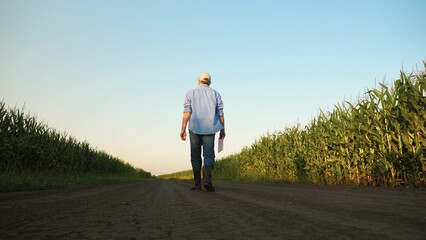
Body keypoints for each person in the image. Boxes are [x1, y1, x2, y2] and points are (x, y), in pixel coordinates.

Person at [180, 72, 225, 192]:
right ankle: (207, 180)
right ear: (209, 82)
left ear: (198, 81)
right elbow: (220, 113)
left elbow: (187, 112)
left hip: (194, 128)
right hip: (211, 128)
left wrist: (183, 128)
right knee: (209, 155)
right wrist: (223, 129)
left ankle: (197, 183)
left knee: (195, 155)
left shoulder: (190, 93)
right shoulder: (216, 94)